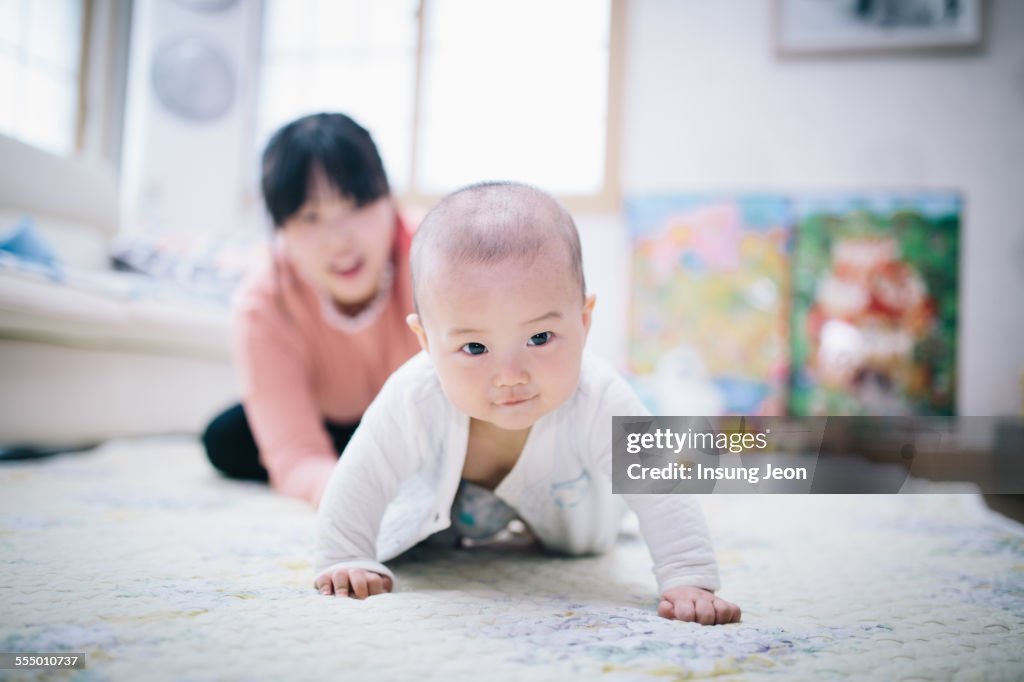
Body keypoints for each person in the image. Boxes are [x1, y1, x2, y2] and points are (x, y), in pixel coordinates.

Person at [313, 182, 741, 625]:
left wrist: (688, 577)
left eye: (539, 338)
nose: (511, 374)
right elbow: (362, 471)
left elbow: (660, 488)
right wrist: (345, 555)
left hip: (578, 518)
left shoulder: (599, 396)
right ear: (425, 342)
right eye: (475, 347)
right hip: (450, 527)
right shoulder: (413, 395)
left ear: (583, 321)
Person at [202, 113, 421, 507]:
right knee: (226, 439)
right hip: (331, 421)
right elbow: (296, 454)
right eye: (310, 217)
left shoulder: (437, 256)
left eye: (356, 206)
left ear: (391, 201)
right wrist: (352, 496)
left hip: (422, 419)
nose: (340, 241)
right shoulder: (264, 300)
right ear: (281, 231)